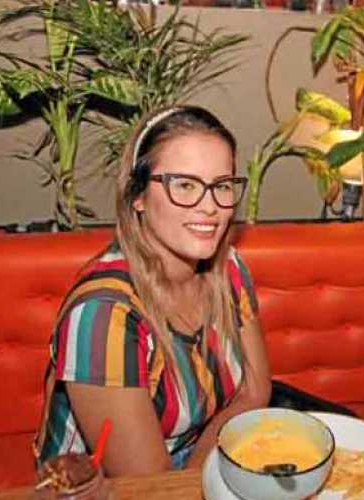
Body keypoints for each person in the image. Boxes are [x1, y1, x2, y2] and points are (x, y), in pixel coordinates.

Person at [35, 106, 272, 474]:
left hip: (200, 455)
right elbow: (149, 488)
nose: (210, 207)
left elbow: (254, 391)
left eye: (222, 185)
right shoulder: (102, 317)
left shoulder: (229, 266)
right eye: (184, 185)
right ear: (138, 196)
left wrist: (204, 473)